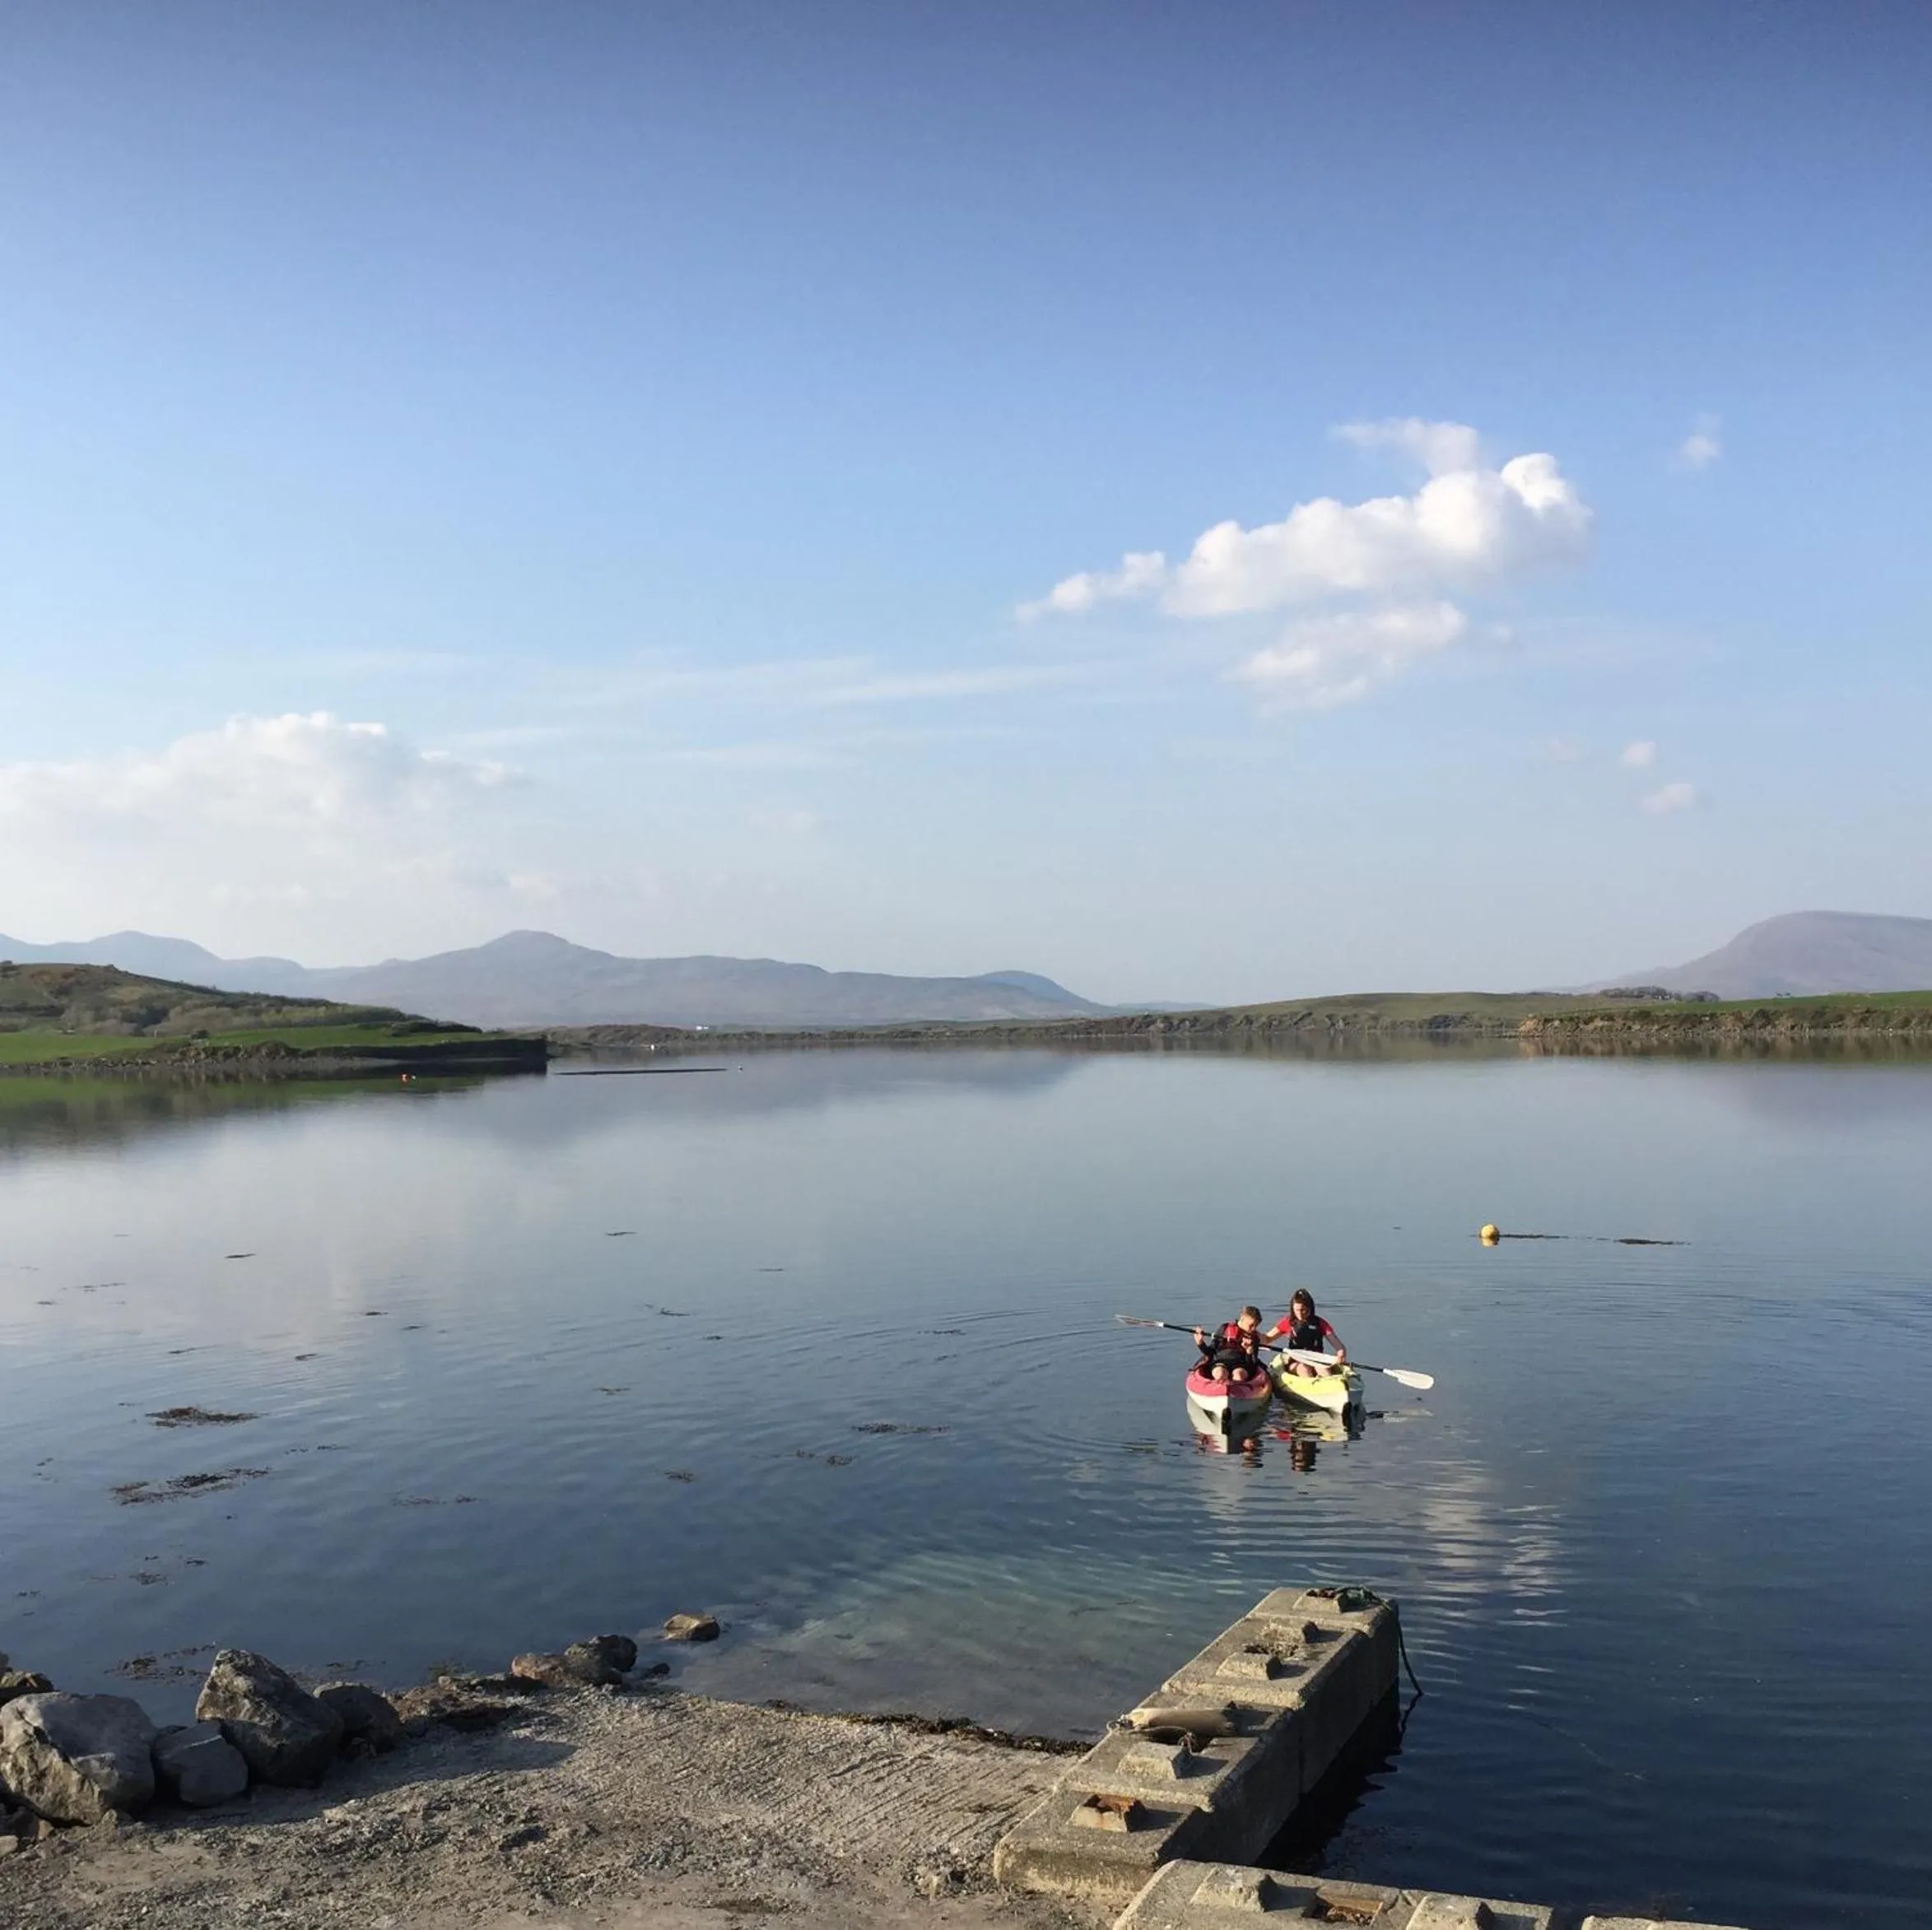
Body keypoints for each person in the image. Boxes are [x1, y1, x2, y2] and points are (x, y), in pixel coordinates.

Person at [1265, 1289, 1348, 1379]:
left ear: (1309, 1308)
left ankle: (1330, 1385)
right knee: (1304, 1369)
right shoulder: (1288, 1322)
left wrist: (1341, 1354)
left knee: (1323, 1369)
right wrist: (1253, 1336)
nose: (1300, 1314)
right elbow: (1267, 1339)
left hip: (1316, 1360)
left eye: (1303, 1310)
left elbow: (1338, 1345)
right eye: (1297, 1310)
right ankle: (1311, 1388)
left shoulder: (1320, 1323)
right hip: (1296, 1362)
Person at [1193, 1305, 1265, 1384]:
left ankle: (1237, 1391)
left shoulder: (1254, 1338)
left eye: (1256, 1326)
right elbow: (1210, 1352)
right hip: (1220, 1361)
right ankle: (1219, 1390)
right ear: (1242, 1319)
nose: (1254, 1329)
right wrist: (1200, 1343)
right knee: (1220, 1374)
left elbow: (1252, 1365)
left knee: (1239, 1376)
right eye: (1251, 1325)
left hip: (1241, 1364)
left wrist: (1249, 1352)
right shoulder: (1224, 1328)